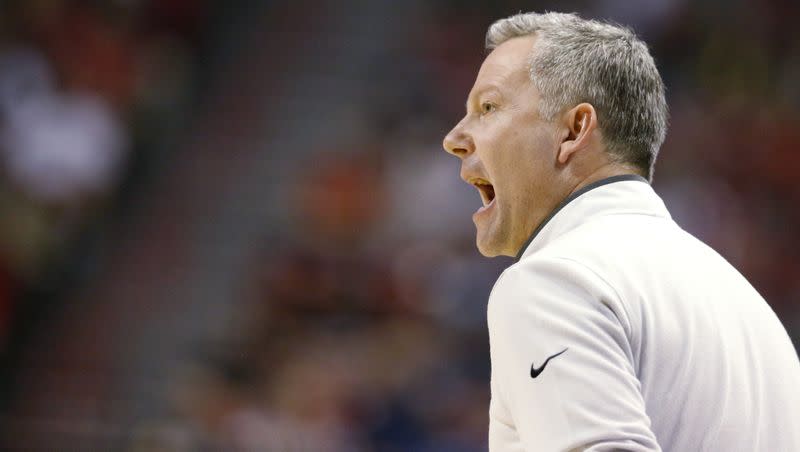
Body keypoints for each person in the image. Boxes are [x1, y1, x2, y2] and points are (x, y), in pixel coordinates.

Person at [442, 11, 800, 452]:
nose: (455, 137)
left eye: (488, 108)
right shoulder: (747, 306)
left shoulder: (555, 280)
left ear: (574, 131)